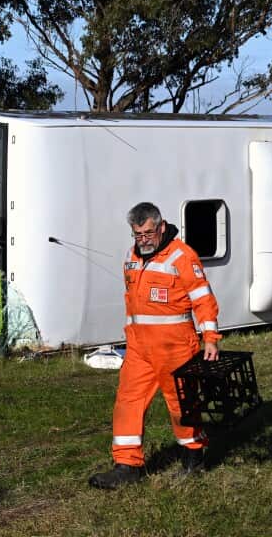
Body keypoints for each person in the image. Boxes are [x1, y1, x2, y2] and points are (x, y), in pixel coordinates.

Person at [88, 202, 221, 489]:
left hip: (175, 347)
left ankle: (193, 457)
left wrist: (210, 337)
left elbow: (203, 299)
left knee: (181, 404)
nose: (143, 240)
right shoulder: (131, 256)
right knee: (128, 401)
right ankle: (127, 466)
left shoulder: (182, 256)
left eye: (148, 233)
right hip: (139, 347)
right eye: (138, 234)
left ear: (161, 227)